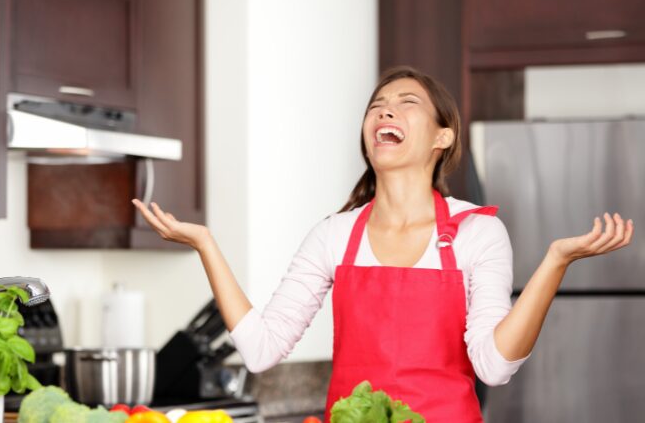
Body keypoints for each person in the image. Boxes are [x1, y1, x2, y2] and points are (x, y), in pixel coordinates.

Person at [132, 66, 634, 423]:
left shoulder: (476, 232)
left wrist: (554, 263)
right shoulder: (334, 234)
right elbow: (261, 351)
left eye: (405, 103)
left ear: (442, 138)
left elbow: (494, 366)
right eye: (377, 106)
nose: (384, 112)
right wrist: (205, 246)